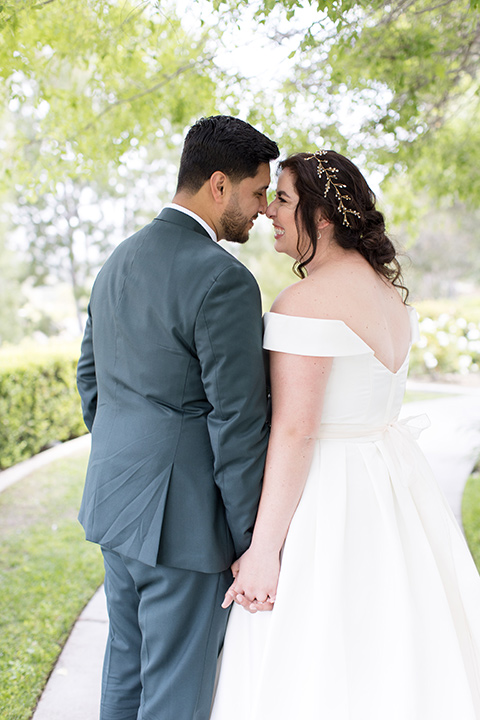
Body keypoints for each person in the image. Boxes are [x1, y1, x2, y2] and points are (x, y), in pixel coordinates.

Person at [210, 150, 480, 719]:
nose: (269, 214)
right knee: (391, 641)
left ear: (323, 216)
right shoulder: (387, 295)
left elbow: (294, 432)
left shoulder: (306, 302)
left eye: (282, 200)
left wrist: (262, 551)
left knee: (313, 650)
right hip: (390, 491)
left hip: (328, 496)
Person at [76, 115, 279, 720]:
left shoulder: (118, 259)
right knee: (176, 693)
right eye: (257, 191)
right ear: (219, 185)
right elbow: (237, 422)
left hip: (115, 502)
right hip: (184, 524)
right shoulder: (224, 279)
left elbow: (92, 380)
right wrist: (251, 539)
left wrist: (129, 454)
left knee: (126, 669)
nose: (263, 209)